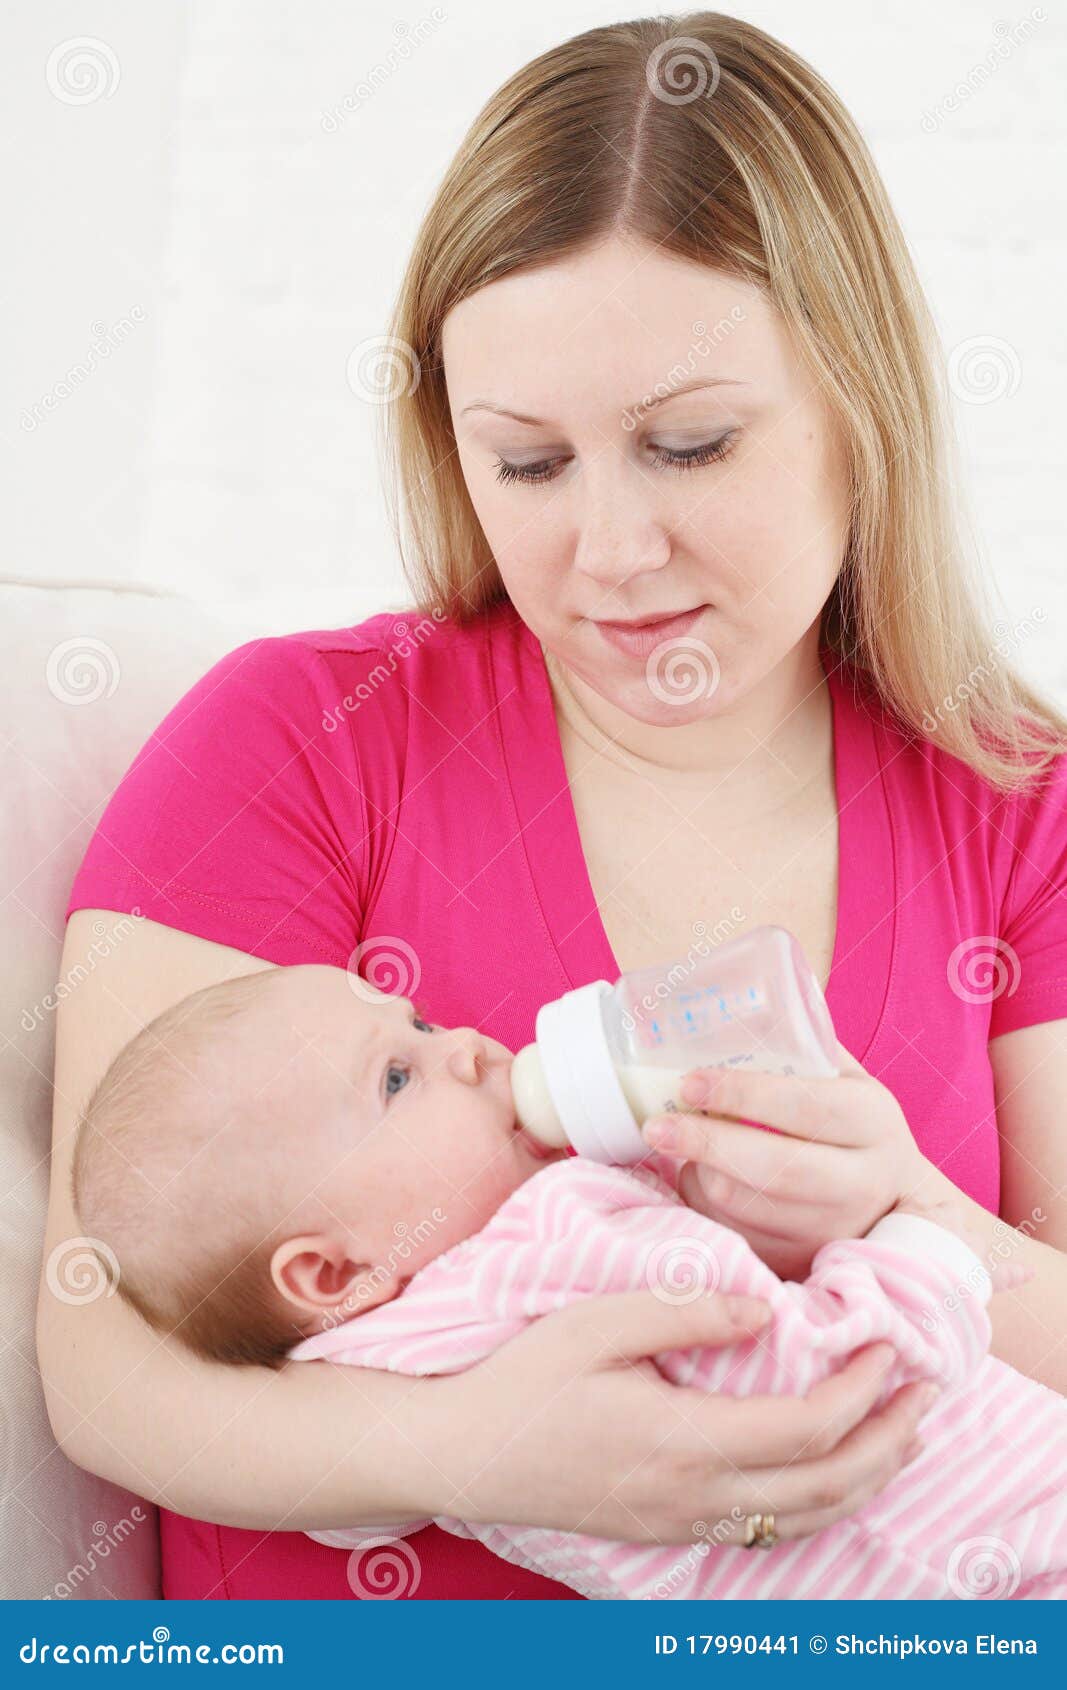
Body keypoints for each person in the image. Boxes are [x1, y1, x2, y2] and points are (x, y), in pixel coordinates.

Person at [40, 13, 1067, 1602]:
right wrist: (460, 1450)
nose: (607, 551)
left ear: (858, 410)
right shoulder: (300, 740)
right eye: (525, 464)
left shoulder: (1015, 806)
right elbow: (99, 1343)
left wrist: (902, 1206)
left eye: (687, 444)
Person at [69, 963, 1062, 1600]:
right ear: (327, 1269)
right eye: (395, 1078)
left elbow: (354, 1504)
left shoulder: (356, 1365)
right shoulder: (551, 1233)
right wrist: (923, 1243)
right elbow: (833, 1369)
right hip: (1001, 1538)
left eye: (415, 1018)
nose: (460, 1042)